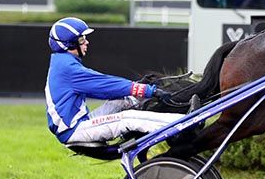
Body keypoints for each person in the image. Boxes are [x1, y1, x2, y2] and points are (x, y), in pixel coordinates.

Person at [45, 17, 184, 148]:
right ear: (69, 44)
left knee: (123, 100)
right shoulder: (67, 68)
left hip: (79, 123)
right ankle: (182, 124)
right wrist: (148, 90)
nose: (86, 42)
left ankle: (170, 113)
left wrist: (137, 90)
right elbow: (106, 85)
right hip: (74, 130)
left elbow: (104, 90)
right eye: (81, 40)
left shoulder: (62, 63)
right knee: (126, 119)